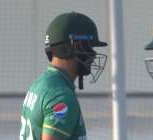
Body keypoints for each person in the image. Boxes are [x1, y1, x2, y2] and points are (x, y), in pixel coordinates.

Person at [19, 12, 108, 140]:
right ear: (70, 47)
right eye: (89, 46)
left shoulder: (41, 84)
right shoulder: (61, 96)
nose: (93, 54)